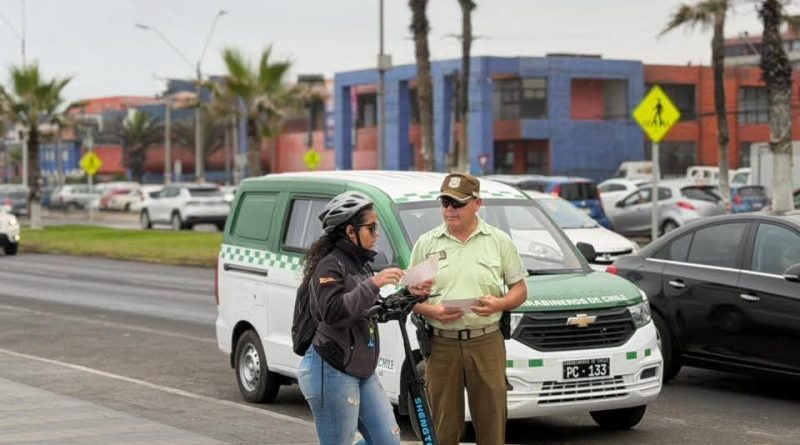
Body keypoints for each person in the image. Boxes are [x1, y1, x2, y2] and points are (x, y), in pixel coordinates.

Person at [297, 191, 429, 445]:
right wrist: (374, 283)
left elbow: (370, 309)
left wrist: (408, 294)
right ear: (350, 231)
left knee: (387, 442)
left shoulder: (360, 264)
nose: (377, 232)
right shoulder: (330, 265)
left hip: (361, 369)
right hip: (331, 369)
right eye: (372, 227)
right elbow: (333, 312)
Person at [410, 173, 528, 445]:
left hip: (486, 342)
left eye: (457, 203)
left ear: (477, 203)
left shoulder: (498, 241)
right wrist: (432, 311)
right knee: (443, 428)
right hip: (441, 345)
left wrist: (499, 303)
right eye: (445, 202)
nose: (450, 209)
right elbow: (408, 298)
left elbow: (520, 290)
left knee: (491, 423)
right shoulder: (428, 244)